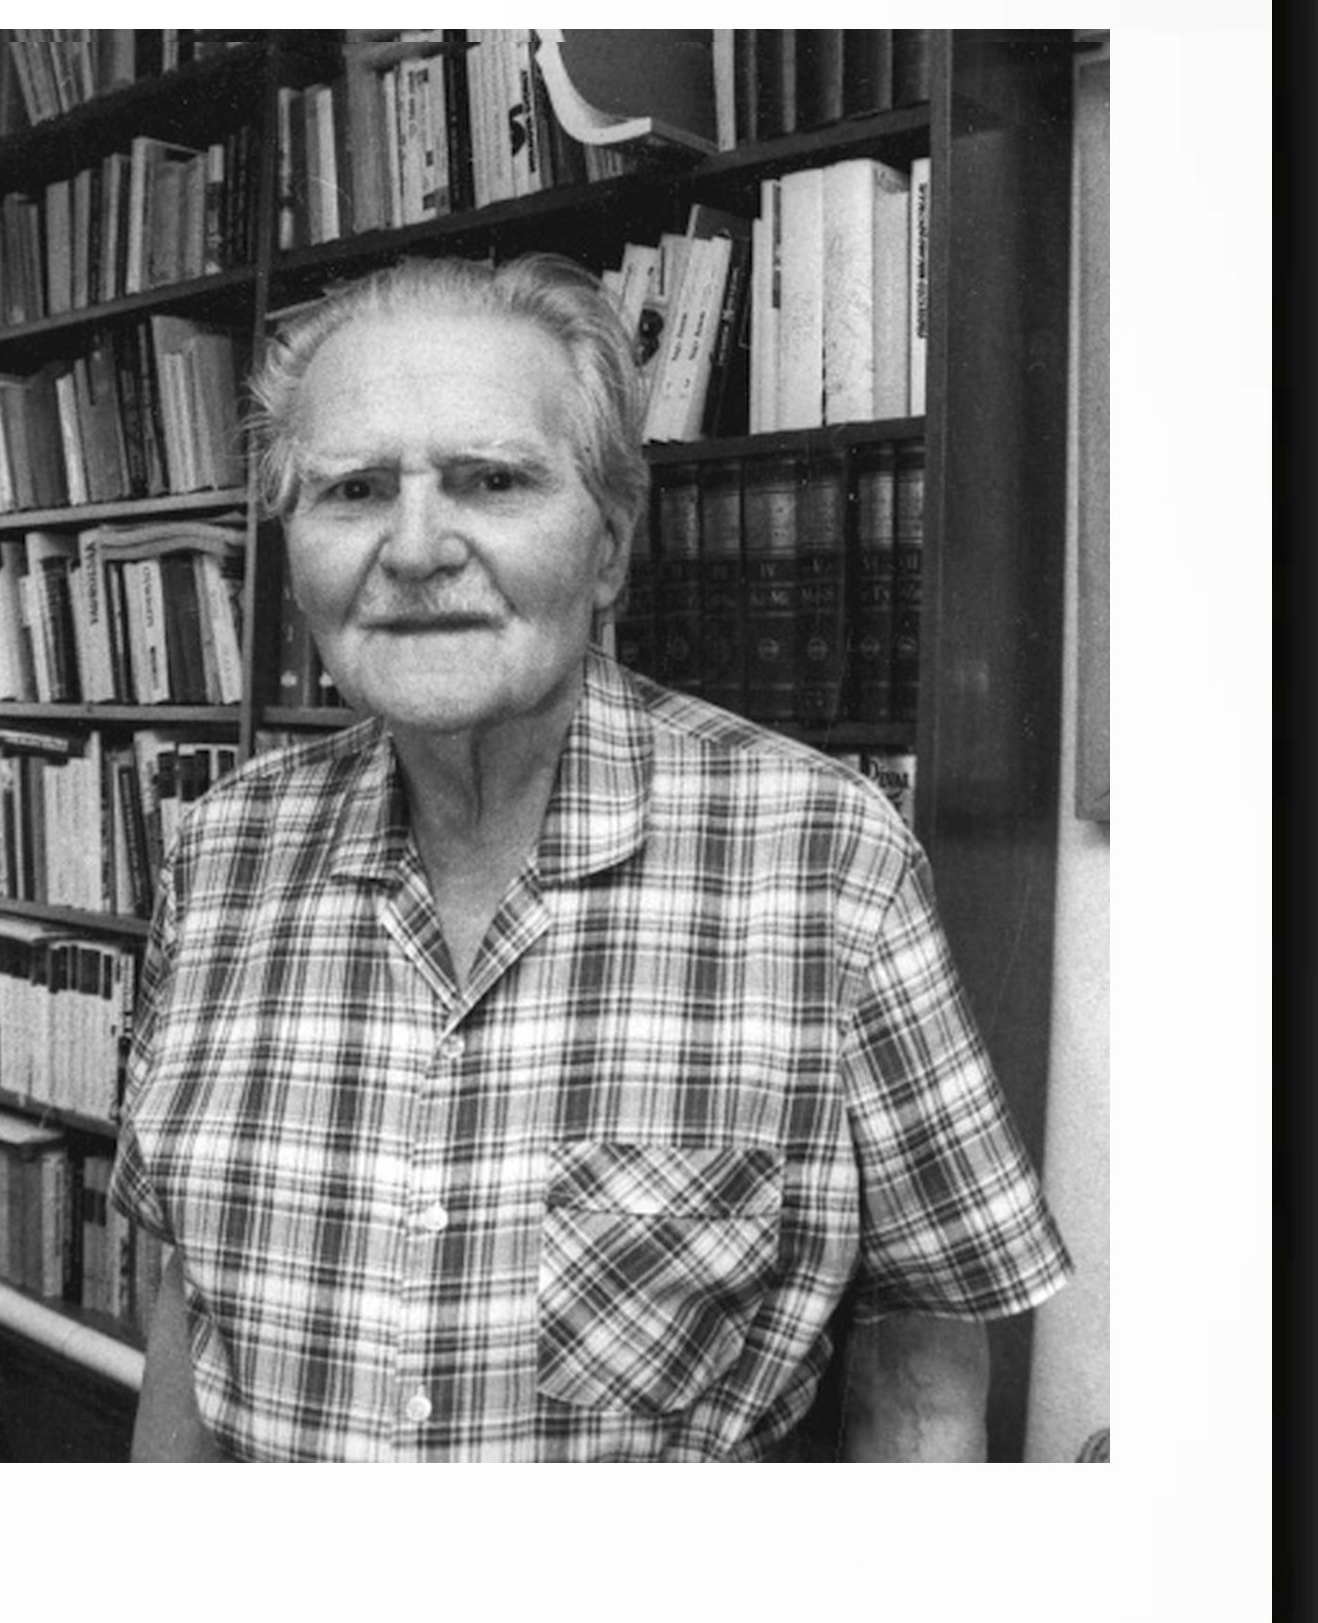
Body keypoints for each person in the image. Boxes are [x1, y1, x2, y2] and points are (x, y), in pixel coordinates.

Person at [110, 252, 1072, 1462]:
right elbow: (185, 1312)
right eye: (352, 490)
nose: (413, 548)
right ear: (292, 549)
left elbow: (919, 1378)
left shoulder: (825, 859)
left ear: (608, 547)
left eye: (492, 479)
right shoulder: (219, 853)